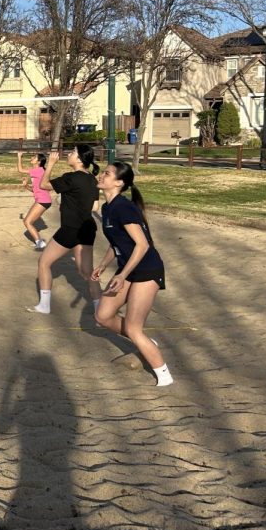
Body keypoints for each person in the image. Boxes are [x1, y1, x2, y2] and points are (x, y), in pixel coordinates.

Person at [92, 162, 174, 387]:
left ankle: (164, 376)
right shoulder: (108, 208)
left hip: (146, 270)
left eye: (107, 174)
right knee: (103, 316)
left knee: (132, 327)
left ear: (119, 182)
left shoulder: (123, 208)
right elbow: (116, 243)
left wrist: (122, 275)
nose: (101, 175)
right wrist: (103, 264)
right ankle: (147, 343)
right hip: (127, 269)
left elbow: (142, 245)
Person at [28, 144, 101, 314]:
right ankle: (101, 308)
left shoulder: (71, 177)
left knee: (44, 263)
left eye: (73, 152)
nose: (69, 154)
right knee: (86, 272)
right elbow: (95, 207)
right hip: (88, 228)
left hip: (71, 229)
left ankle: (44, 306)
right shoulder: (92, 178)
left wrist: (51, 163)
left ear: (80, 159)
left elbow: (44, 184)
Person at [18, 151, 53, 250]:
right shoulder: (38, 171)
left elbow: (20, 170)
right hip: (42, 200)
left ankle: (40, 243)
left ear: (38, 161)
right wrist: (26, 186)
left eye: (34, 157)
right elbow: (34, 190)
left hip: (43, 200)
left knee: (27, 222)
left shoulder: (38, 170)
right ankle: (39, 242)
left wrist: (19, 156)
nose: (32, 158)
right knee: (28, 221)